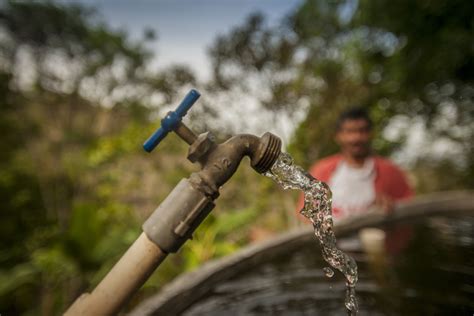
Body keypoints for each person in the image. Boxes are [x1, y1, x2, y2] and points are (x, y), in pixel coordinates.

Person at [297, 107, 413, 222]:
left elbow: (410, 214)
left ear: (371, 134)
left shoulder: (390, 172)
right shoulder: (321, 171)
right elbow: (304, 215)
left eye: (362, 131)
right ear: (338, 136)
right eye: (349, 132)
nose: (356, 138)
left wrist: (392, 212)